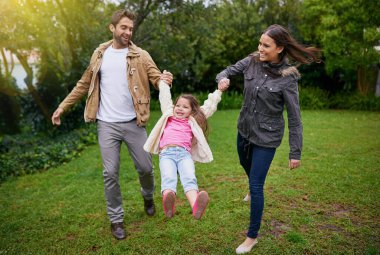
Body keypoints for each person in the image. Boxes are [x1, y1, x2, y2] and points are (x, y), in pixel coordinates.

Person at [51, 9, 173, 240]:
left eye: (130, 28)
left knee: (146, 168)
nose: (128, 32)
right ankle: (116, 219)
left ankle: (148, 195)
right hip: (106, 124)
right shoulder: (100, 54)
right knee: (110, 173)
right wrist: (62, 106)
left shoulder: (141, 55)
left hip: (134, 123)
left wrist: (164, 81)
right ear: (112, 28)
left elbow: (156, 78)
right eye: (124, 27)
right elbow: (83, 83)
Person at [216, 24, 320, 254]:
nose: (260, 48)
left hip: (267, 137)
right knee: (245, 163)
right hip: (244, 129)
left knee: (256, 184)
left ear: (280, 48)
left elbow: (294, 117)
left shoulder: (288, 77)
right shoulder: (252, 60)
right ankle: (252, 188)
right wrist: (222, 79)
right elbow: (227, 71)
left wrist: (295, 152)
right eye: (260, 43)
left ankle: (251, 237)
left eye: (266, 45)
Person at [143, 81, 223, 220]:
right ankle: (169, 205)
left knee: (189, 179)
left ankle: (196, 207)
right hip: (166, 154)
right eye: (178, 105)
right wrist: (163, 83)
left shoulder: (193, 119)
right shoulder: (169, 114)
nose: (180, 109)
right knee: (169, 178)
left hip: (184, 155)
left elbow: (209, 107)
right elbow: (165, 97)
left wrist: (219, 91)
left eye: (185, 107)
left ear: (192, 111)